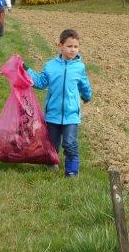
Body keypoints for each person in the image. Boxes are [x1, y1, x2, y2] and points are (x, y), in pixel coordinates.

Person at [23, 29, 92, 177]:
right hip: (53, 114)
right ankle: (51, 164)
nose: (73, 50)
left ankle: (72, 171)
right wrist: (26, 70)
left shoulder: (79, 67)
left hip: (71, 114)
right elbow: (41, 83)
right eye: (69, 46)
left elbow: (84, 84)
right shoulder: (50, 66)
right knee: (52, 144)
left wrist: (87, 95)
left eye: (76, 46)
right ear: (60, 45)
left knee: (69, 143)